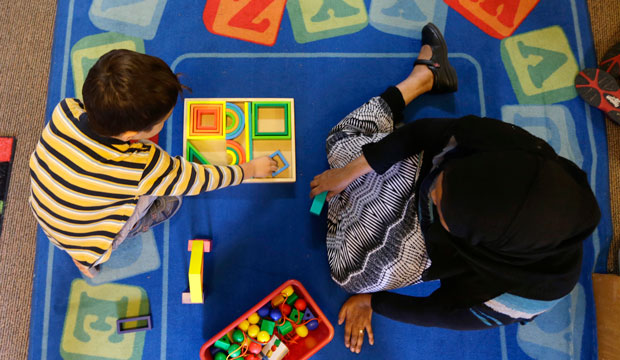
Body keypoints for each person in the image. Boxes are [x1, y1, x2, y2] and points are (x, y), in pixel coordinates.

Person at [310, 23, 601, 353]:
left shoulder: (531, 292)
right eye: (445, 182)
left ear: (481, 239)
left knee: (351, 275)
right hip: (427, 164)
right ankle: (424, 79)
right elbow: (426, 135)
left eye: (442, 204)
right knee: (339, 144)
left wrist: (371, 303)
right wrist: (350, 173)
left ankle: (365, 200)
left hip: (436, 249)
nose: (432, 191)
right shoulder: (517, 151)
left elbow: (442, 312)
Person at [29, 49, 277, 278]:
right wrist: (251, 169)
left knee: (88, 211)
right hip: (92, 237)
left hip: (47, 213)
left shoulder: (65, 109)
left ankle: (81, 255)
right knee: (171, 195)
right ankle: (88, 255)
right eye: (163, 119)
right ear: (130, 134)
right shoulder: (143, 165)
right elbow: (198, 180)